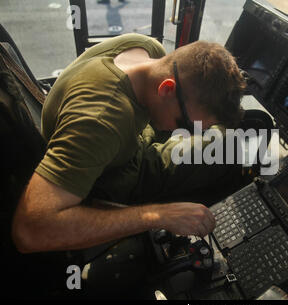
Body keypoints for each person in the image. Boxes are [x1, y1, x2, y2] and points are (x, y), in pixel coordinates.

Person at [11, 33, 246, 254]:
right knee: (234, 142)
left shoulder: (146, 48)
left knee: (230, 129)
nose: (182, 132)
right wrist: (158, 215)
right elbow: (30, 230)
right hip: (115, 174)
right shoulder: (101, 122)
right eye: (184, 123)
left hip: (127, 141)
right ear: (166, 89)